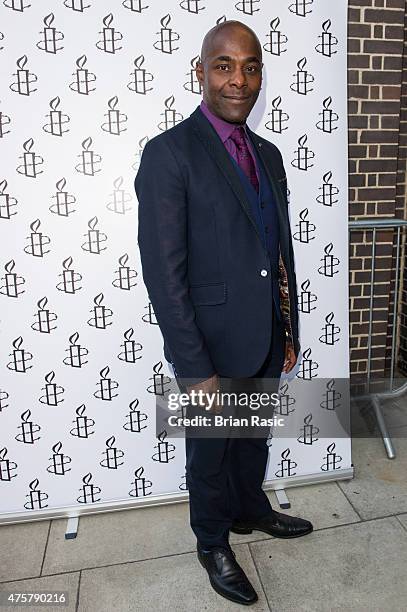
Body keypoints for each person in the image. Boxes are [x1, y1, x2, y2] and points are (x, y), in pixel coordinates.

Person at [135, 19, 313, 606]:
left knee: (253, 438)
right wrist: (194, 367)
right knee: (210, 451)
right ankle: (212, 540)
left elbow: (277, 248)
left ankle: (250, 510)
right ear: (201, 72)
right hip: (208, 345)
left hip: (263, 334)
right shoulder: (169, 154)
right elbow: (165, 275)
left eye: (251, 66)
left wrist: (286, 329)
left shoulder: (269, 154)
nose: (240, 80)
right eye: (224, 65)